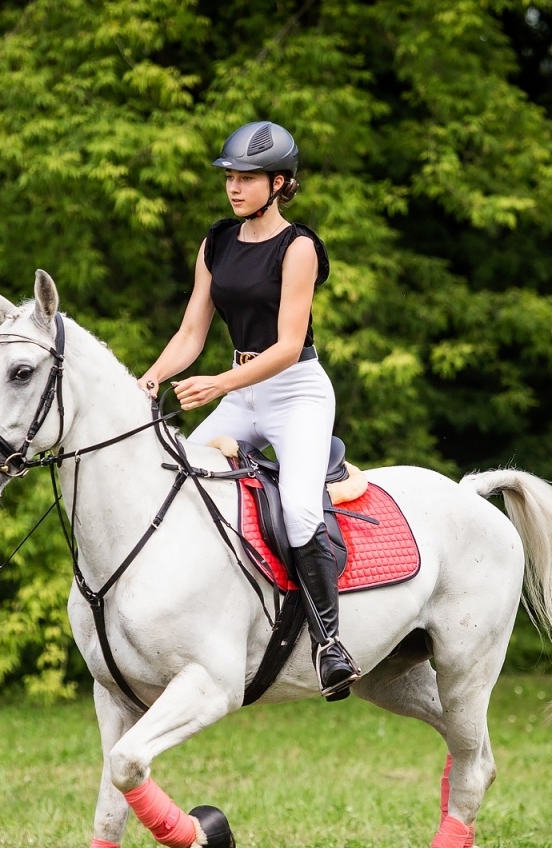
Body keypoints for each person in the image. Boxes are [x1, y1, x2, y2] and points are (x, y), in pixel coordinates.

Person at [139, 120, 361, 698]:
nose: (234, 188)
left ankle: (330, 646)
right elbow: (192, 331)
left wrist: (218, 383)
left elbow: (287, 346)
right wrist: (153, 378)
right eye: (230, 177)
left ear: (279, 183)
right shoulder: (216, 242)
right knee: (177, 480)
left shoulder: (299, 247)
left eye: (247, 178)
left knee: (300, 512)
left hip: (296, 392)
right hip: (242, 392)